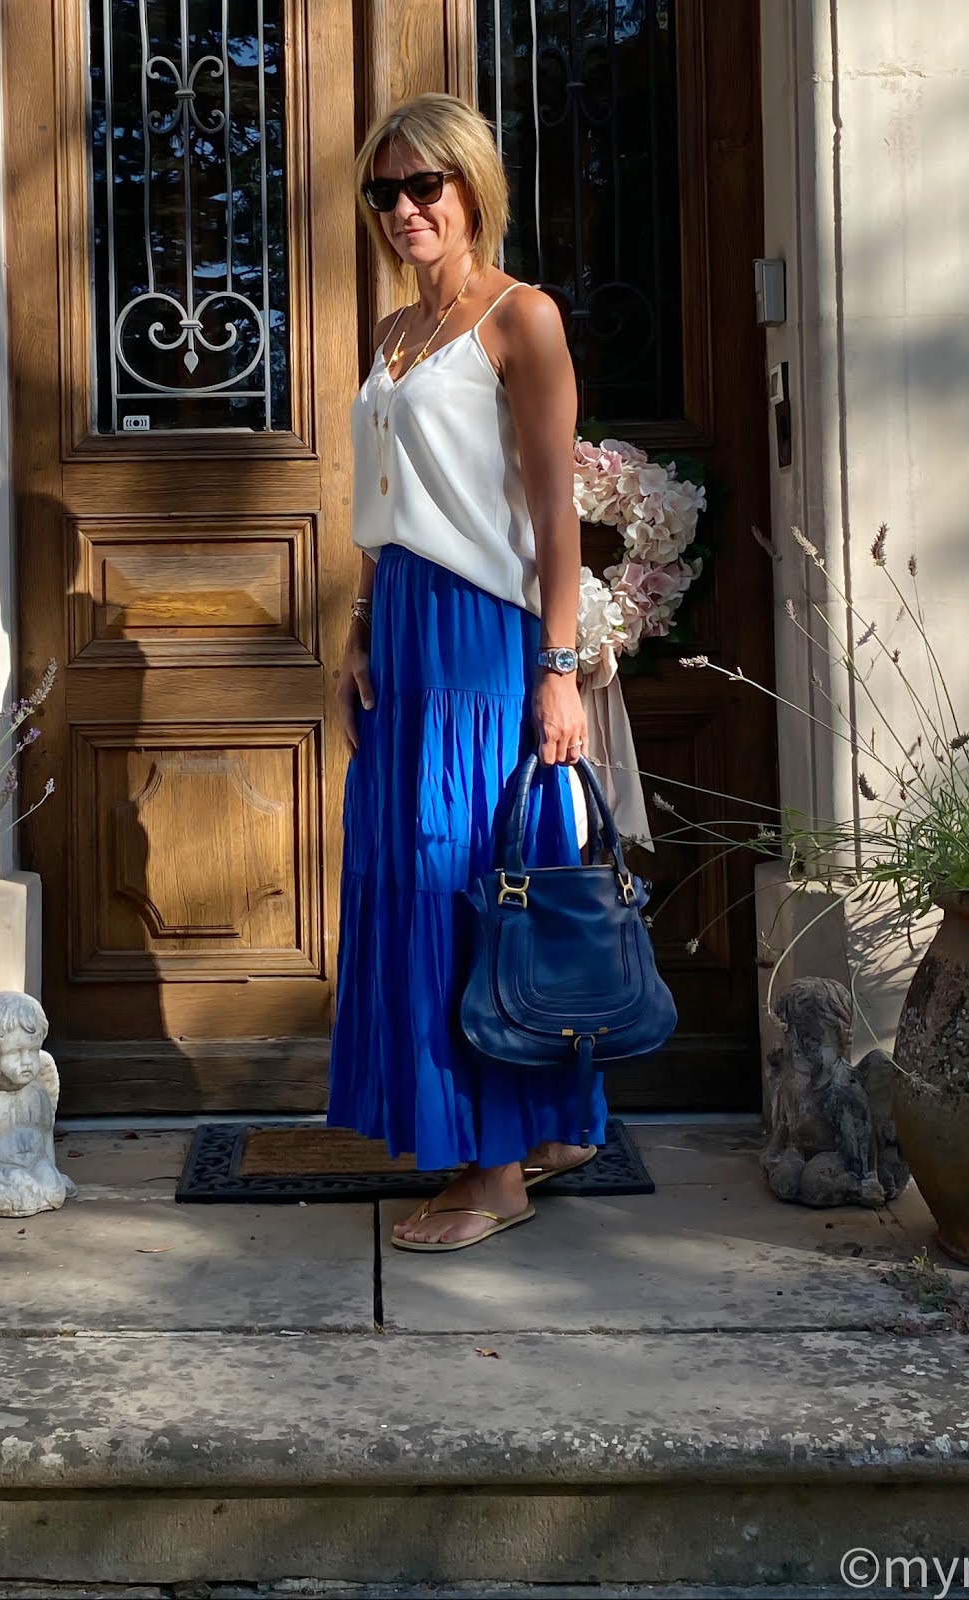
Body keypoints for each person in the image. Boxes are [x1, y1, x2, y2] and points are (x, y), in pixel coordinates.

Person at [330, 90, 606, 1252]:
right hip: (400, 626)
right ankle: (522, 1130)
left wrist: (558, 667)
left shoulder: (519, 318)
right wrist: (354, 620)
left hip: (485, 639)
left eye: (421, 185)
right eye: (383, 191)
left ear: (470, 188)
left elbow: (553, 506)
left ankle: (496, 1172)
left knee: (472, 877)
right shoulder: (395, 336)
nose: (403, 209)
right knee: (413, 873)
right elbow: (388, 505)